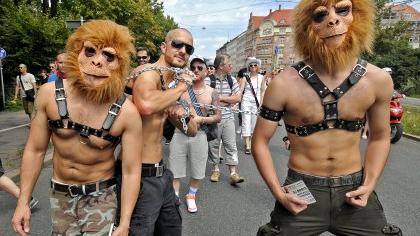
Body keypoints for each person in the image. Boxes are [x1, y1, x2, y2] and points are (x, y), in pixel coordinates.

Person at [253, 0, 401, 235]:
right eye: (320, 15)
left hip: (354, 190)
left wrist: (369, 184)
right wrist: (278, 193)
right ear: (306, 28)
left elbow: (381, 137)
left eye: (343, 9)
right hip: (302, 189)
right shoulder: (283, 84)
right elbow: (259, 141)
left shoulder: (378, 80)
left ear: (358, 17)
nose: (333, 19)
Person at [11, 20, 142, 236]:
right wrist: (22, 202)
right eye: (90, 51)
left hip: (101, 197)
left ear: (120, 63)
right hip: (60, 195)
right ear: (76, 53)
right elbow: (35, 150)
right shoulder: (48, 94)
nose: (98, 62)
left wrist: (125, 222)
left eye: (109, 56)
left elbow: (131, 171)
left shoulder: (127, 113)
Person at [127, 28, 198, 235]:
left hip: (161, 173)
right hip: (139, 174)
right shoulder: (148, 73)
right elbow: (146, 105)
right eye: (177, 44)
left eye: (189, 48)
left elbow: (192, 130)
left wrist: (179, 116)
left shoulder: (172, 84)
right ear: (163, 47)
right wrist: (182, 87)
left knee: (171, 229)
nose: (183, 51)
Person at [168, 57, 221, 213]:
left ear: (206, 71)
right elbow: (169, 106)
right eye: (193, 68)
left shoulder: (213, 92)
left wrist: (201, 118)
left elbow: (218, 117)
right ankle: (175, 195)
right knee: (175, 166)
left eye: (200, 67)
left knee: (198, 168)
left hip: (200, 133)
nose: (196, 70)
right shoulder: (181, 89)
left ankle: (191, 196)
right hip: (180, 131)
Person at [206, 54, 244, 185]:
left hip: (228, 119)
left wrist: (220, 98)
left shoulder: (231, 80)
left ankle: (233, 173)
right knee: (214, 146)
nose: (231, 66)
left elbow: (238, 98)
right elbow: (206, 100)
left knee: (230, 145)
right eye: (229, 63)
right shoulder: (208, 80)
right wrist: (227, 99)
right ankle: (215, 170)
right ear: (221, 66)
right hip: (213, 119)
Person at [241, 57, 266, 154]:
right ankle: (247, 145)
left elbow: (262, 91)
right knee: (246, 122)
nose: (253, 67)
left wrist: (261, 103)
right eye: (251, 65)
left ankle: (251, 142)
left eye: (255, 65)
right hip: (246, 101)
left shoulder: (262, 77)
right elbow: (241, 90)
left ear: (258, 66)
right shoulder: (245, 77)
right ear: (249, 67)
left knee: (254, 124)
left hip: (257, 103)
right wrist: (235, 102)